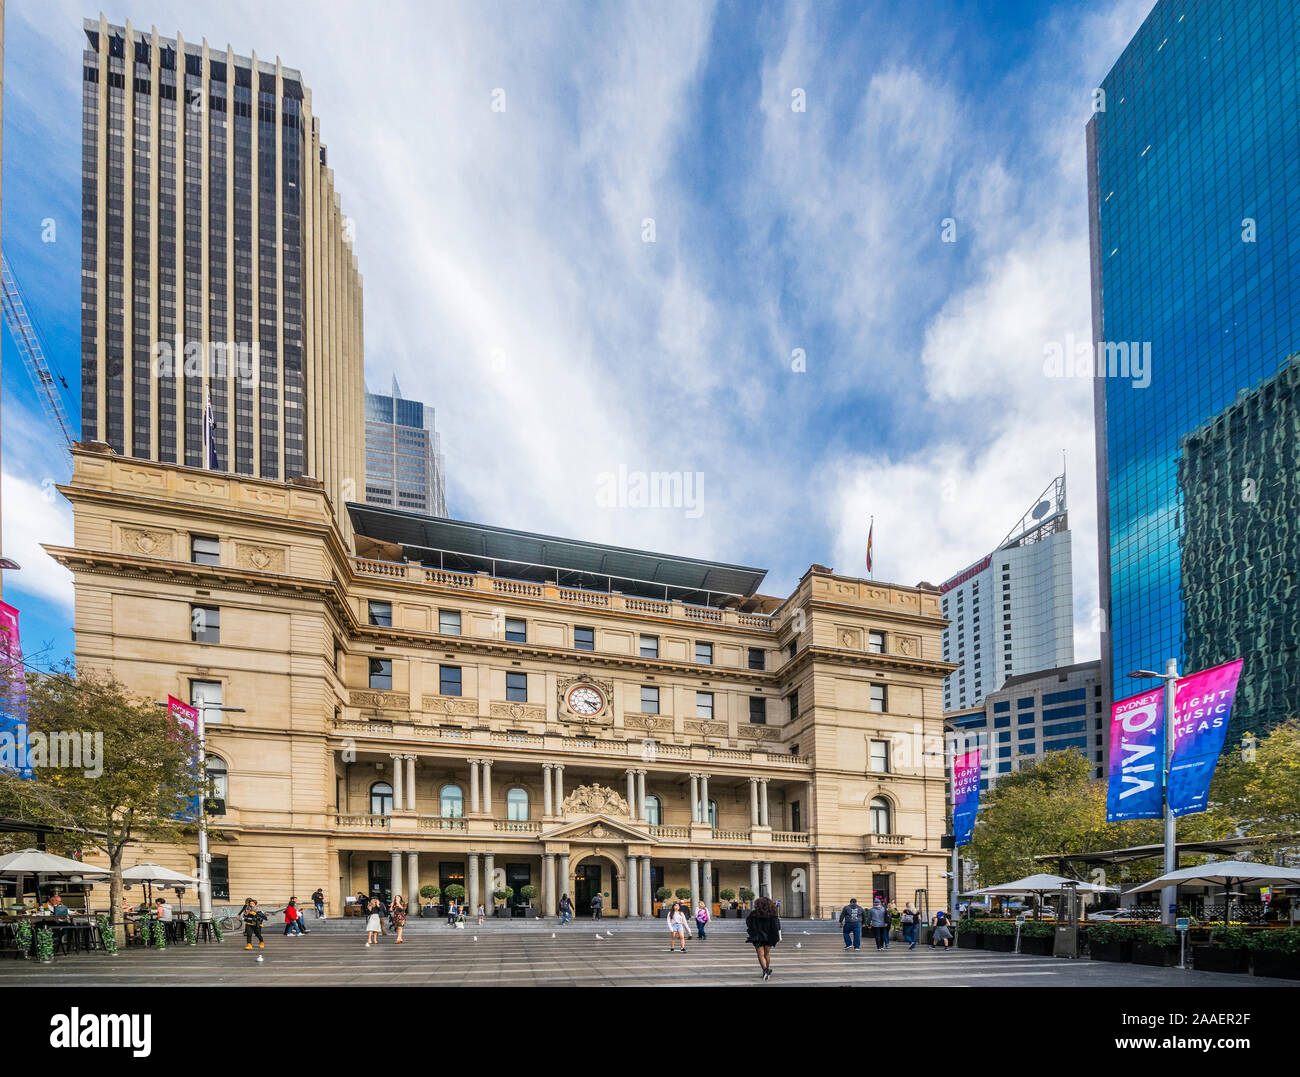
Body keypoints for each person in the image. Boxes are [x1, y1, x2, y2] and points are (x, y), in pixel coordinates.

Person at [745, 895, 782, 980]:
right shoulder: (772, 914)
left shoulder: (754, 914)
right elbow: (776, 926)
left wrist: (753, 930)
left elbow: (748, 923)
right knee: (766, 954)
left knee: (760, 955)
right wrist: (777, 936)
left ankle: (765, 970)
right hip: (770, 937)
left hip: (758, 936)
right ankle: (766, 970)